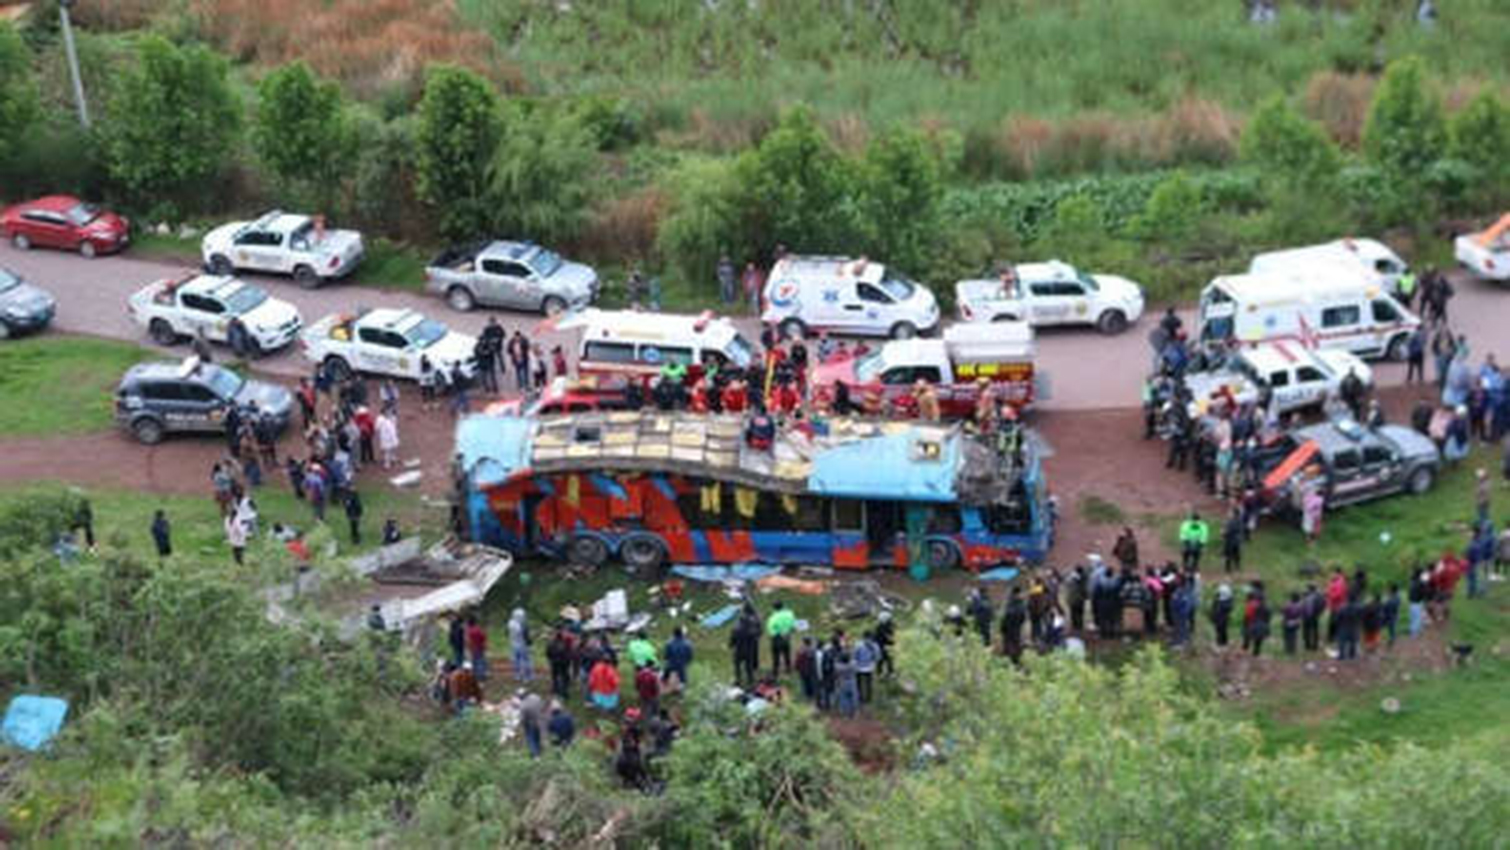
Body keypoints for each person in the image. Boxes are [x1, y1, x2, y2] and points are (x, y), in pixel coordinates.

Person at [730, 604, 761, 687]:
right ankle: (750, 681)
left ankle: (738, 680)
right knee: (749, 667)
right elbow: (756, 638)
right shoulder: (751, 630)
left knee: (737, 666)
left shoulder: (736, 629)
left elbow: (732, 640)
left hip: (738, 650)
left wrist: (730, 645)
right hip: (748, 651)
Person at [766, 601, 796, 677]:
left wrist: (774, 634)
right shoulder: (789, 614)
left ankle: (775, 671)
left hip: (777, 637)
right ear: (783, 606)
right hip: (787, 636)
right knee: (787, 653)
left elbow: (771, 629)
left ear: (774, 608)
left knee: (776, 656)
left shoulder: (773, 617)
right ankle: (788, 669)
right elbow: (793, 625)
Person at [546, 627, 577, 699]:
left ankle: (555, 689)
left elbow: (548, 653)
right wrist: (569, 660)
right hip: (563, 663)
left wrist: (551, 660)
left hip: (554, 662)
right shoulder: (565, 643)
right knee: (563, 677)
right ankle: (564, 693)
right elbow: (569, 653)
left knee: (555, 676)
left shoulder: (551, 643)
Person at [853, 632, 879, 704]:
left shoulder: (858, 644)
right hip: (869, 667)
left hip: (859, 667)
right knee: (868, 683)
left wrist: (855, 665)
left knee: (859, 683)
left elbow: (854, 656)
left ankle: (861, 697)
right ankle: (868, 698)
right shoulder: (875, 645)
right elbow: (877, 657)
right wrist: (873, 664)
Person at [518, 689, 545, 758]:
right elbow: (542, 705)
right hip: (540, 720)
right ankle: (540, 751)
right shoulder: (536, 697)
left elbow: (523, 718)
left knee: (531, 739)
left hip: (531, 723)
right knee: (538, 737)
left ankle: (535, 755)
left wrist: (522, 725)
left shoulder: (523, 705)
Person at [508, 608, 533, 681]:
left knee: (516, 661)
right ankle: (527, 677)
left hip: (513, 644)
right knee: (526, 661)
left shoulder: (510, 623)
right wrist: (530, 645)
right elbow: (526, 636)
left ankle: (517, 675)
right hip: (523, 645)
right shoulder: (522, 625)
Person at [834, 651, 859, 718]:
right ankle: (853, 712)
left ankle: (846, 713)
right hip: (852, 681)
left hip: (843, 682)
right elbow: (854, 662)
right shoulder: (853, 664)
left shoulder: (839, 666)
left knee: (844, 698)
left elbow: (835, 666)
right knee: (853, 697)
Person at [465, 615, 489, 683]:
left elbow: (467, 641)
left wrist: (468, 648)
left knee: (474, 662)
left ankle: (476, 675)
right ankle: (481, 675)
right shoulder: (478, 629)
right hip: (480, 647)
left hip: (473, 648)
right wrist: (485, 646)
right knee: (480, 661)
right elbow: (484, 637)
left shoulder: (469, 631)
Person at [795, 637, 819, 701]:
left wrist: (797, 667)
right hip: (811, 669)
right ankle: (813, 695)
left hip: (803, 670)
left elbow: (798, 660)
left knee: (804, 683)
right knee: (811, 682)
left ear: (804, 642)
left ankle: (806, 696)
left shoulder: (800, 650)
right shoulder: (813, 650)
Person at [1221, 507, 1243, 573]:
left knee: (1230, 554)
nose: (1229, 513)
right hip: (1234, 540)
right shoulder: (1235, 521)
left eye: (1230, 512)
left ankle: (1229, 568)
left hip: (1232, 540)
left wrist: (1224, 532)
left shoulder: (1234, 521)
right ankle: (1234, 567)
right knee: (1235, 554)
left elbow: (1230, 531)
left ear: (1234, 514)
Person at [874, 611, 895, 677]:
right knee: (884, 659)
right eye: (889, 619)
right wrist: (891, 642)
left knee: (887, 660)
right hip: (882, 646)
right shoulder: (880, 628)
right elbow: (886, 637)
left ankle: (885, 672)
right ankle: (882, 673)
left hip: (884, 645)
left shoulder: (884, 626)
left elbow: (890, 635)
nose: (890, 621)